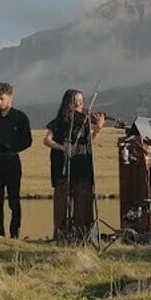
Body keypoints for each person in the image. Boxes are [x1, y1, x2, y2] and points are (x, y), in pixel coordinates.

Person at [43, 89, 105, 242]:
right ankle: (62, 235)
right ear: (68, 102)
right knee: (62, 200)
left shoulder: (85, 120)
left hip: (81, 163)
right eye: (76, 101)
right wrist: (63, 147)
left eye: (81, 101)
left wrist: (98, 128)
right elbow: (47, 140)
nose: (79, 104)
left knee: (82, 197)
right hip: (62, 164)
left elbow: (89, 139)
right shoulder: (58, 121)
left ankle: (82, 234)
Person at [0, 82, 32, 239]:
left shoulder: (20, 117)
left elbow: (27, 141)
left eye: (2, 99)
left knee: (13, 200)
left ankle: (14, 233)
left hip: (12, 162)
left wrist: (10, 146)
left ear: (11, 97)